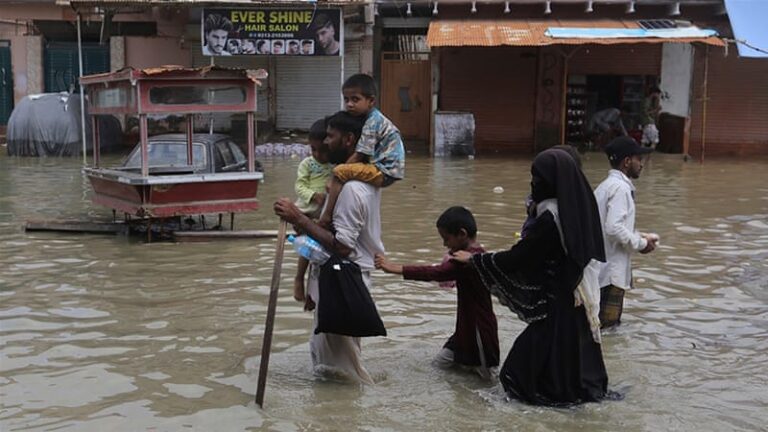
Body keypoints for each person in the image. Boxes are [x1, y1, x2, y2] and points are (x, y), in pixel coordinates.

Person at [452, 148, 610, 406]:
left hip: (556, 306)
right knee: (566, 365)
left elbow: (522, 257)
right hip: (575, 298)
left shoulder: (551, 218)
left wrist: (476, 260)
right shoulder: (578, 207)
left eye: (536, 177)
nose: (533, 183)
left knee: (516, 373)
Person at [274, 111, 384, 385]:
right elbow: (329, 235)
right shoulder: (346, 185)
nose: (326, 142)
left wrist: (298, 218)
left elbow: (343, 247)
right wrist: (312, 284)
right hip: (337, 280)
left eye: (331, 137)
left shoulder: (351, 190)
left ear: (348, 140)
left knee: (341, 373)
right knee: (334, 362)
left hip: (344, 282)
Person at [375, 206, 499, 379]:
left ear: (462, 234)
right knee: (438, 368)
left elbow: (437, 273)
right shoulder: (472, 256)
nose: (444, 244)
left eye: (446, 239)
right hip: (464, 331)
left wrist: (396, 268)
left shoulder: (469, 261)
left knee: (489, 382)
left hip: (479, 334)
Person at [317, 74, 405, 229]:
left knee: (339, 173)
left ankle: (326, 217)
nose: (349, 104)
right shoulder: (370, 119)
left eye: (355, 99)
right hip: (384, 169)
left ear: (371, 101)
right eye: (346, 100)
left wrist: (337, 174)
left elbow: (359, 154)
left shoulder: (372, 122)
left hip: (384, 170)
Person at [594, 136, 657, 328]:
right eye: (639, 159)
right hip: (611, 274)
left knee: (597, 328)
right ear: (627, 162)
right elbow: (613, 228)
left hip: (600, 271)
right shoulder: (620, 188)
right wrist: (641, 244)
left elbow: (612, 226)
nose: (642, 164)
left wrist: (638, 236)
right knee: (607, 330)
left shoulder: (605, 187)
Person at [293, 118, 333, 305]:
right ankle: (299, 278)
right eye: (313, 150)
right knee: (308, 249)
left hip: (325, 214)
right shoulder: (307, 164)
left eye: (323, 150)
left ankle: (312, 294)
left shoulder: (336, 165)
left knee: (320, 253)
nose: (318, 155)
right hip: (308, 211)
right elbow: (299, 186)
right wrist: (313, 195)